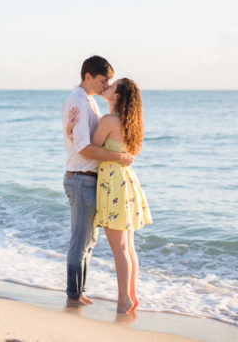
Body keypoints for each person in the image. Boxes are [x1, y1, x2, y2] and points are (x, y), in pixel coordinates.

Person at [68, 77, 152, 313]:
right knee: (128, 247)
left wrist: (70, 131)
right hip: (127, 182)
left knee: (120, 249)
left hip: (113, 185)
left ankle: (124, 300)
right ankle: (131, 297)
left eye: (113, 86)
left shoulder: (109, 120)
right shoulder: (131, 123)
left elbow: (88, 150)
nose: (108, 86)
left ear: (118, 96)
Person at [62, 56, 134, 307]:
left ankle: (79, 291)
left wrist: (71, 135)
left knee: (89, 240)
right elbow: (84, 148)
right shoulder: (79, 102)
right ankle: (73, 293)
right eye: (103, 80)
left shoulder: (90, 103)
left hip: (89, 178)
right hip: (80, 177)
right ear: (88, 76)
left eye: (109, 82)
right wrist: (119, 157)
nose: (106, 85)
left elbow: (87, 141)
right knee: (81, 239)